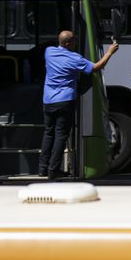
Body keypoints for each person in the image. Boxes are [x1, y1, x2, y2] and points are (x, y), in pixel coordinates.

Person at [38, 30, 118, 179]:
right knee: (61, 135)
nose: (76, 43)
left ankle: (42, 168)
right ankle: (53, 170)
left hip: (48, 100)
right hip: (64, 101)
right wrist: (109, 53)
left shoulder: (49, 52)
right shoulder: (75, 59)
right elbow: (95, 67)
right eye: (74, 40)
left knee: (48, 133)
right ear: (68, 43)